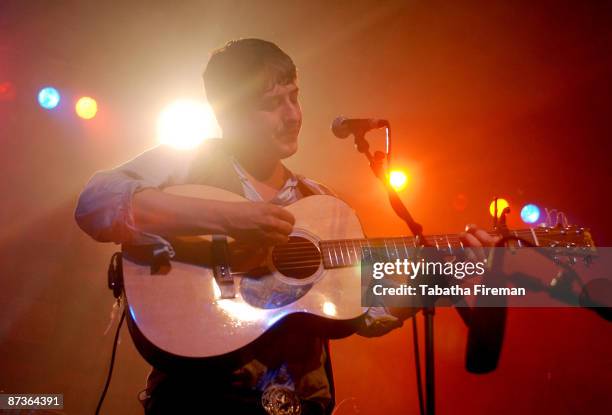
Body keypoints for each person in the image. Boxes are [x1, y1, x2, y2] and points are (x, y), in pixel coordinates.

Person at [75, 38, 496, 415]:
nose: (292, 115)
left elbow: (365, 311)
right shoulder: (188, 163)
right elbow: (96, 202)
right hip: (201, 403)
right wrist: (233, 218)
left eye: (294, 97)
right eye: (271, 103)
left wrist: (447, 273)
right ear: (227, 111)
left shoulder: (322, 203)